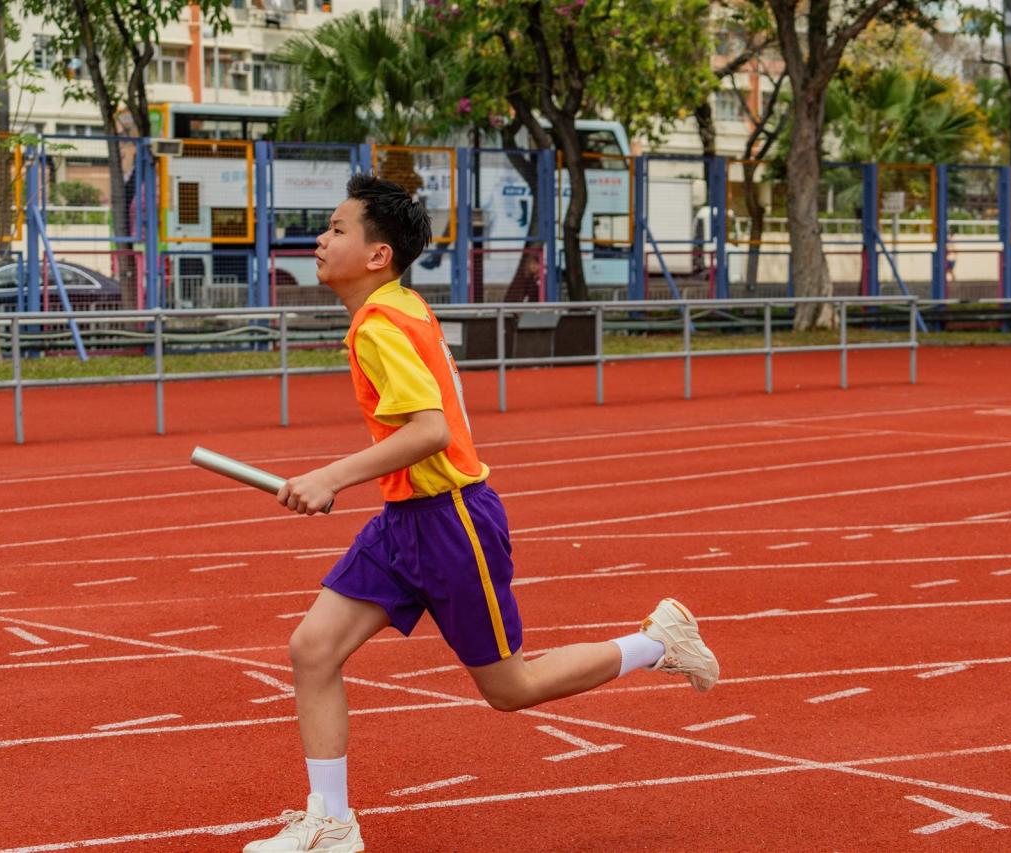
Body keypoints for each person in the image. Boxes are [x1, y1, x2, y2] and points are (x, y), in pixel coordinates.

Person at [245, 175, 719, 853]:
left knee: (510, 688)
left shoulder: (381, 323)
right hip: (404, 521)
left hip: (451, 522)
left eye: (337, 229)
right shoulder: (397, 304)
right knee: (312, 649)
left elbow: (430, 430)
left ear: (378, 254)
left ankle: (657, 643)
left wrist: (328, 476)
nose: (320, 240)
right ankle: (332, 822)